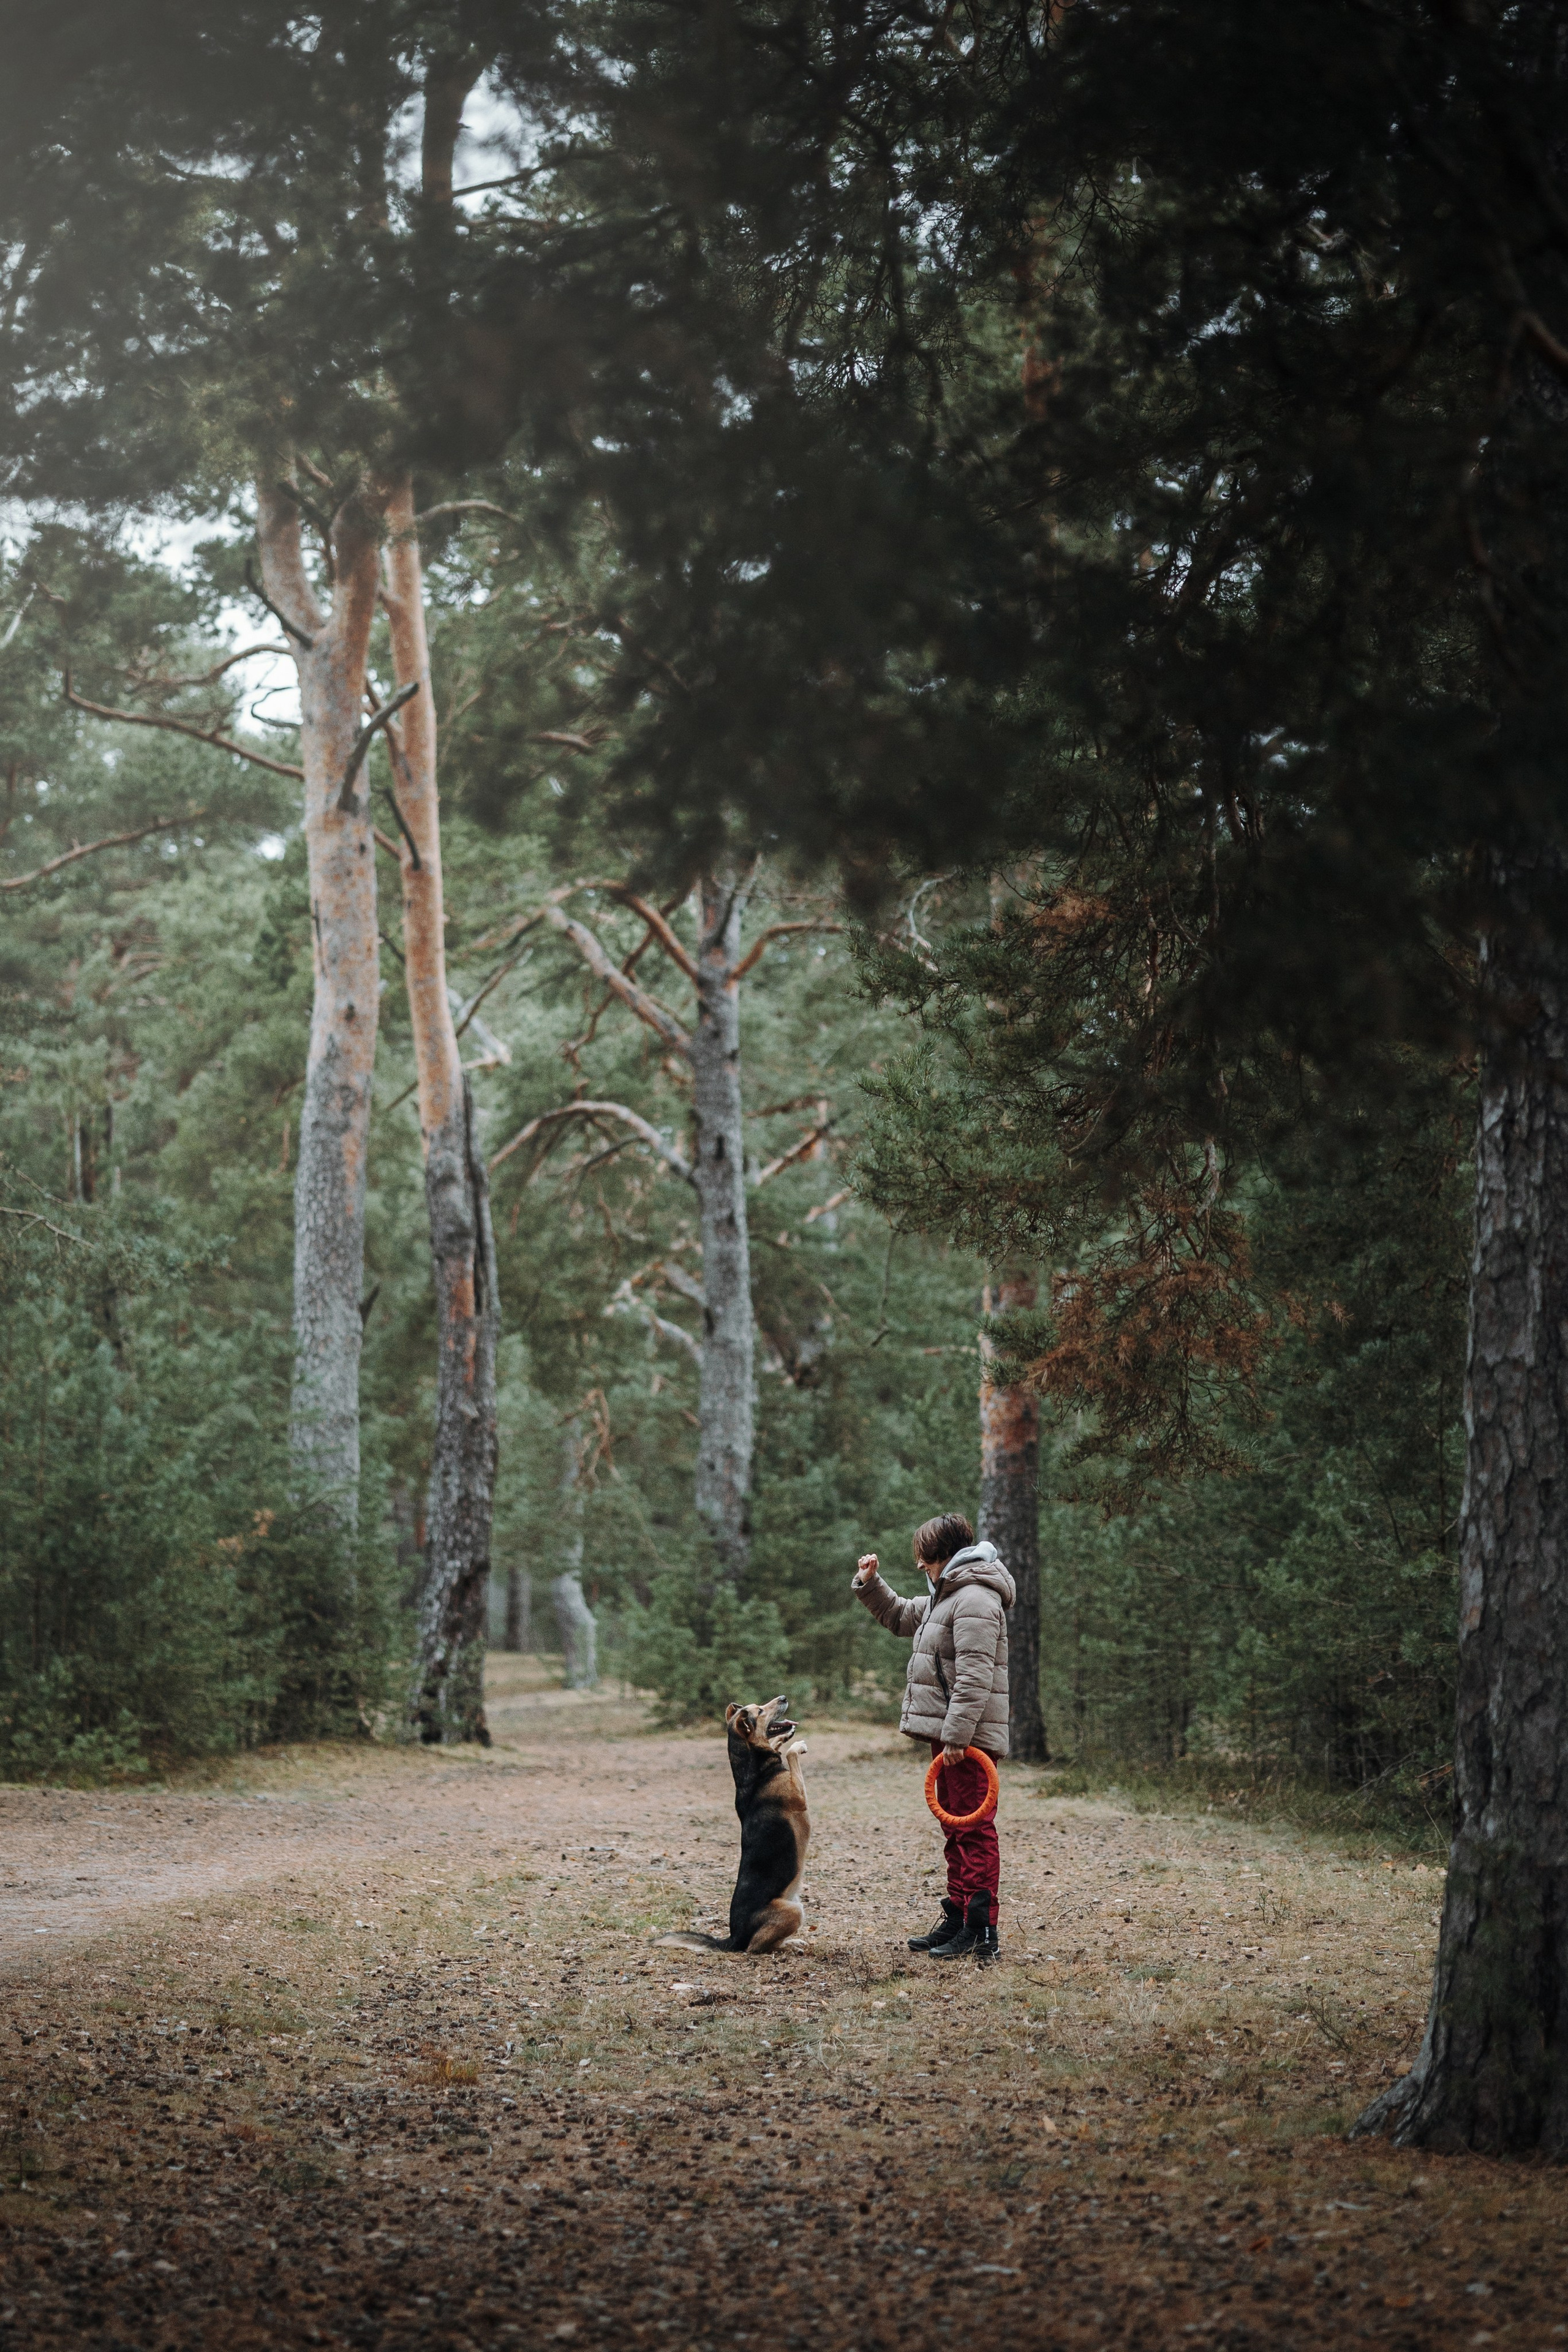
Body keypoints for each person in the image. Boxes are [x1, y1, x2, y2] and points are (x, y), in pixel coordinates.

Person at [853, 1512, 1015, 1962]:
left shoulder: (977, 1600)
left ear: (944, 1554)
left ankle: (982, 1932)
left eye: (925, 1558)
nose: (921, 1565)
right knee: (955, 1828)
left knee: (974, 1831)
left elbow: (975, 1677)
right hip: (951, 1737)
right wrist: (871, 1583)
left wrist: (959, 1736)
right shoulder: (948, 1597)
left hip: (968, 1739)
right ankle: (960, 1918)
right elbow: (902, 1616)